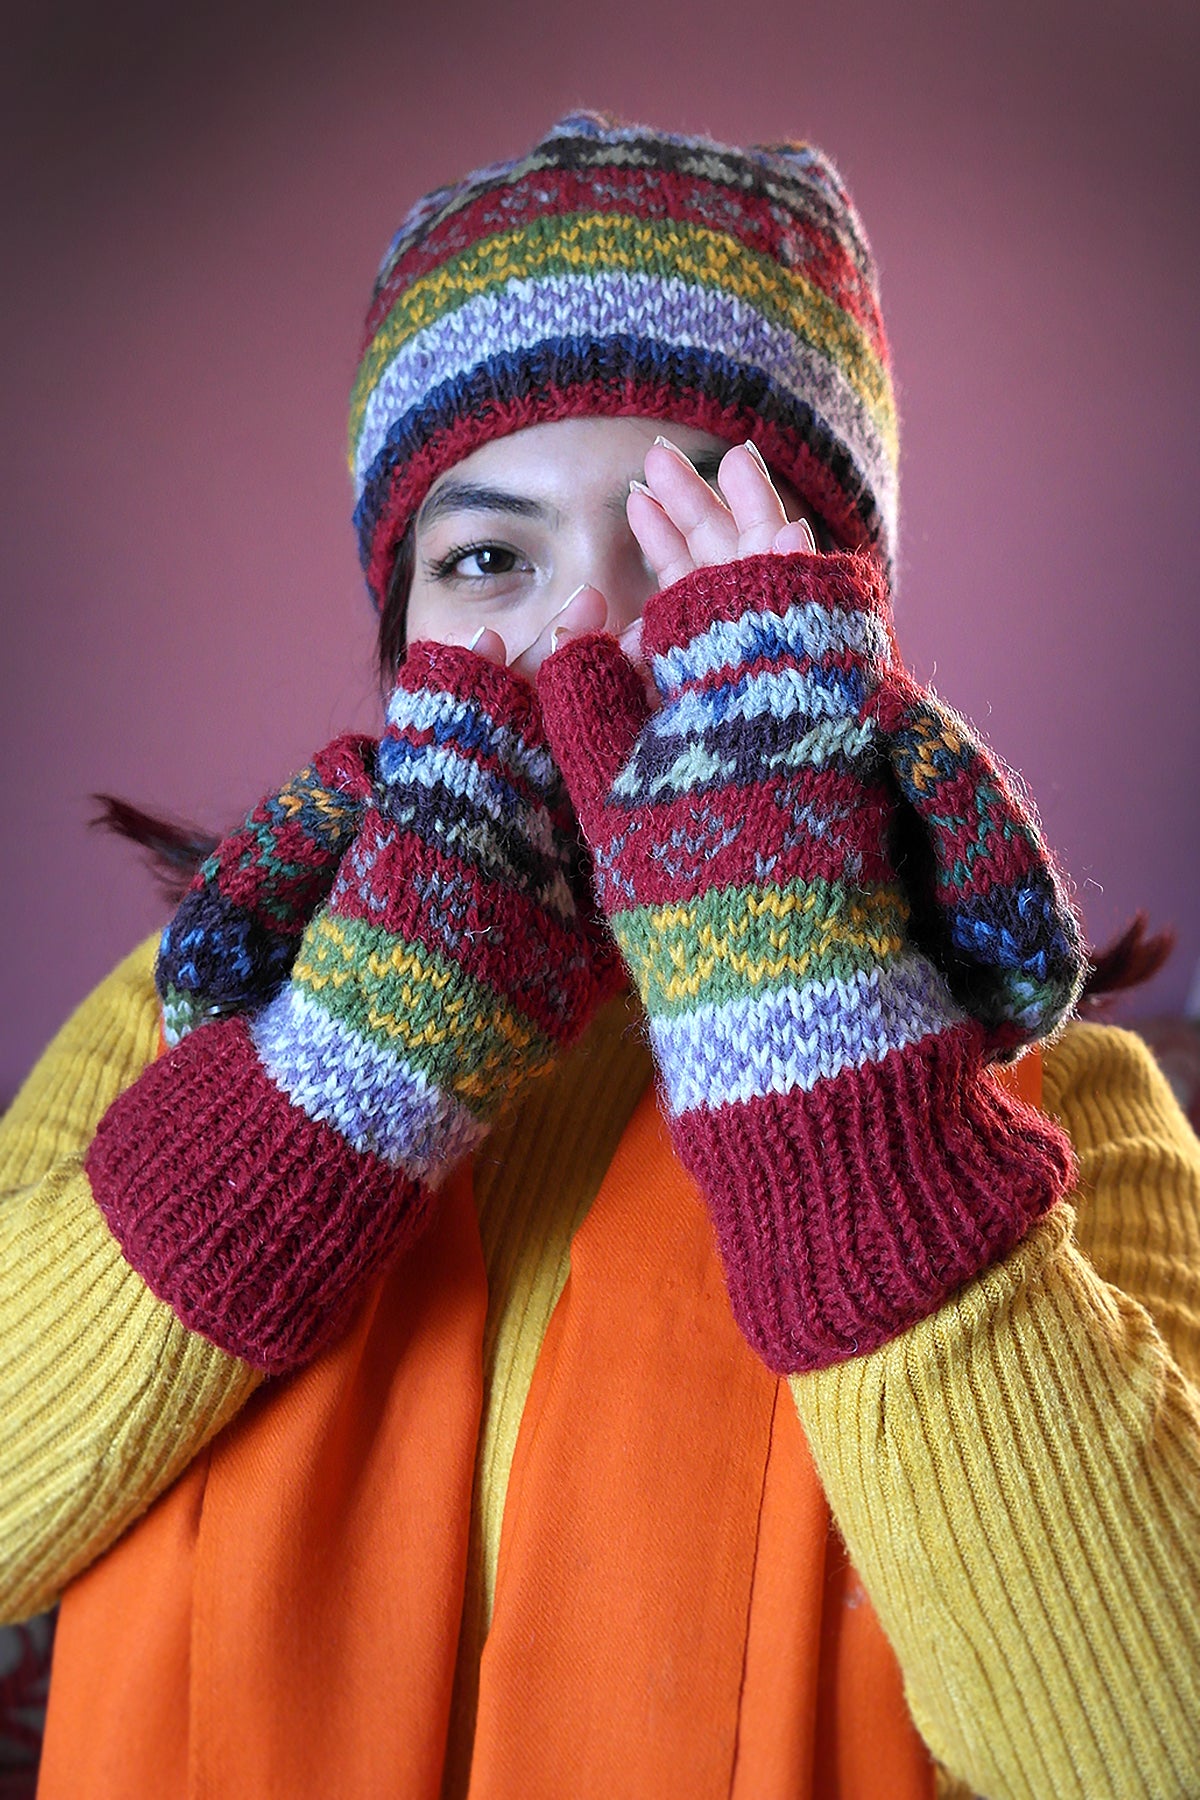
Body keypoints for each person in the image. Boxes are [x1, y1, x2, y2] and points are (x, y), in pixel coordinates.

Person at [2, 110, 1198, 1800]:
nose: (578, 643)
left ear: (824, 618)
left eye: (689, 553)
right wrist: (343, 1065)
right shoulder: (193, 1021)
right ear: (400, 624)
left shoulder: (1057, 1099)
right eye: (489, 557)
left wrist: (822, 1050)